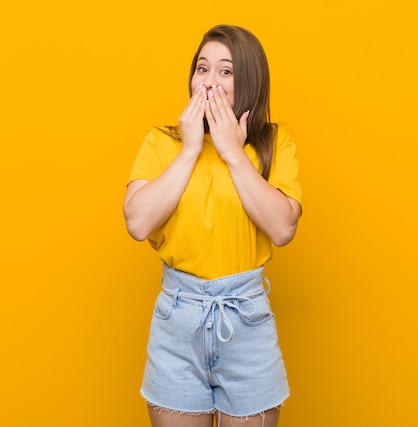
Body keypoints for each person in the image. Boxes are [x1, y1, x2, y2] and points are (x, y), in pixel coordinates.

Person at [123, 24, 302, 427]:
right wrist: (189, 150)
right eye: (202, 68)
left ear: (250, 82)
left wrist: (232, 153)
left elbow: (283, 229)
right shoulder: (161, 143)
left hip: (246, 319)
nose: (208, 81)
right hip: (177, 320)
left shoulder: (275, 144)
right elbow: (137, 221)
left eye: (225, 71)